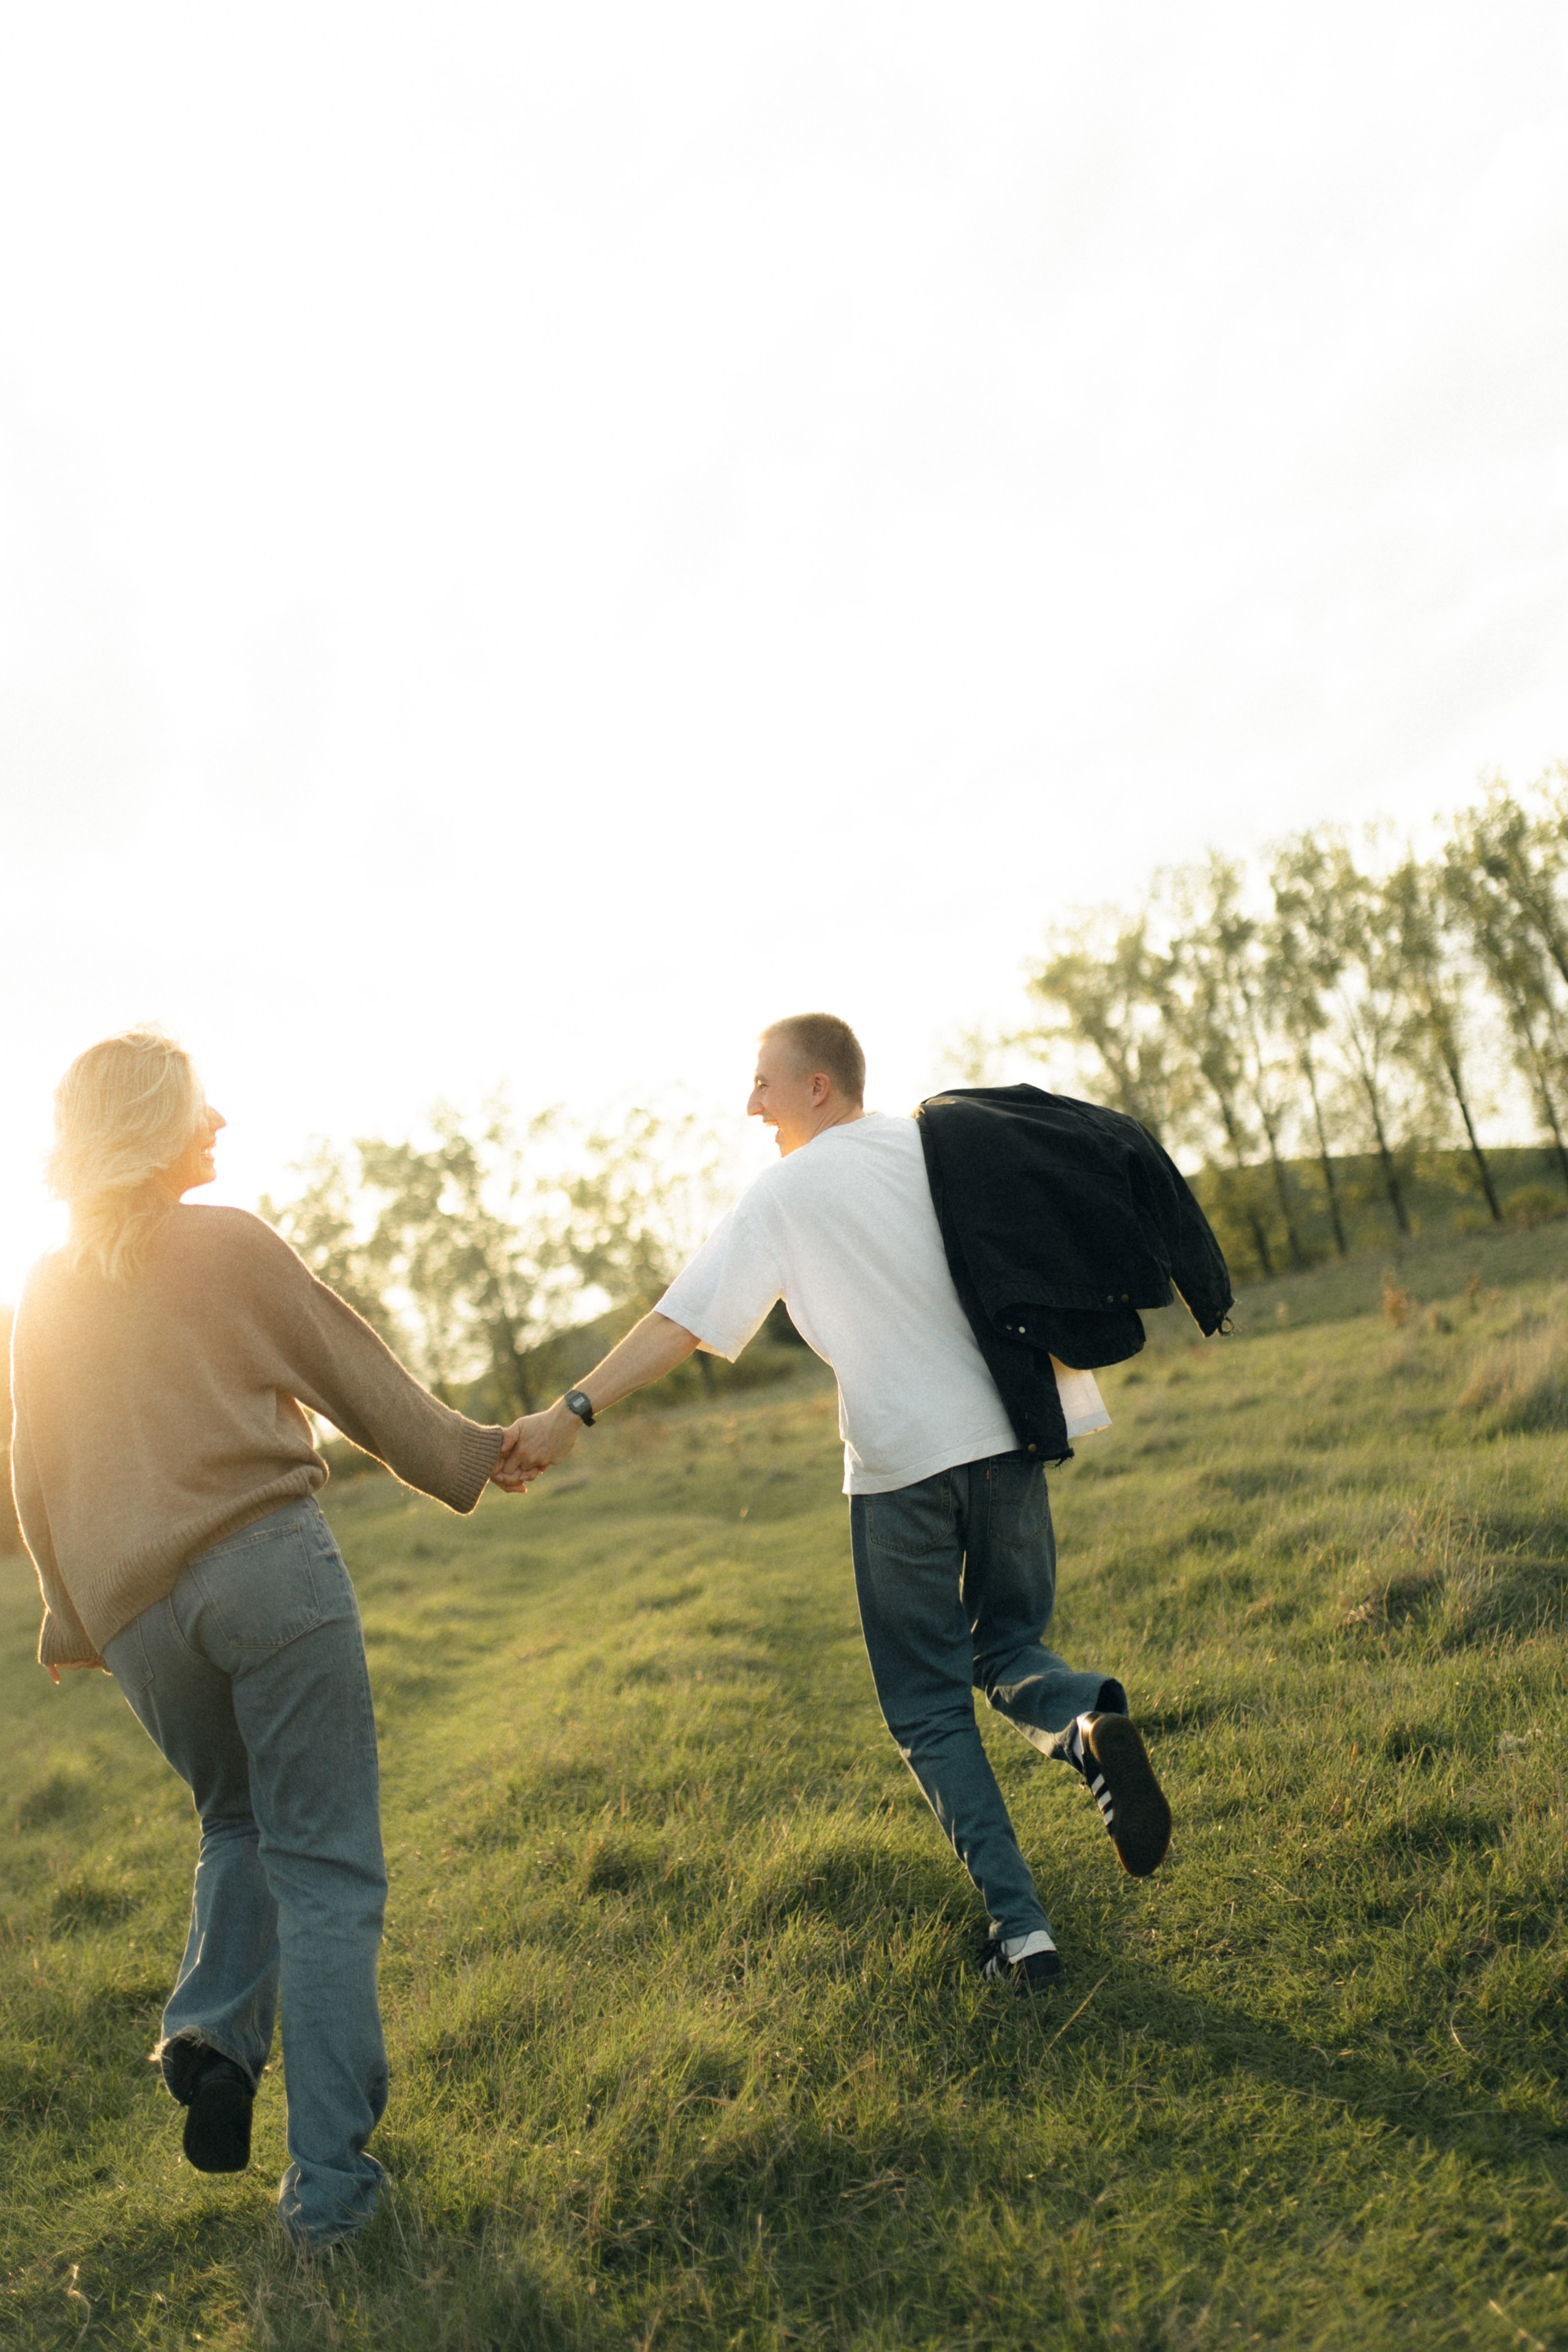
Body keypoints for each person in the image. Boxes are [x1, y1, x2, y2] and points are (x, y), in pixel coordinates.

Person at [496, 1012, 1170, 1994]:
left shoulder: (785, 1192)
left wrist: (572, 1410)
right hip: (1013, 1437)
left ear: (819, 1086)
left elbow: (682, 1322)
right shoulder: (941, 1147)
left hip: (902, 1467)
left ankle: (1024, 1936)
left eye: (763, 1083)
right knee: (1009, 1646)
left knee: (928, 1704)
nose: (751, 1105)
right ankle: (1085, 1728)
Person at [9, 1029, 516, 2250]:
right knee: (327, 1870)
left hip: (138, 1621)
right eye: (200, 1105)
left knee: (235, 1824)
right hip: (264, 1569)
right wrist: (476, 1454)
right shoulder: (225, 1243)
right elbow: (359, 1381)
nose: (220, 1121)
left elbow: (33, 1471)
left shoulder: (45, 1291)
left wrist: (72, 1615)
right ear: (153, 1126)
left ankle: (213, 2037)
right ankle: (331, 2195)